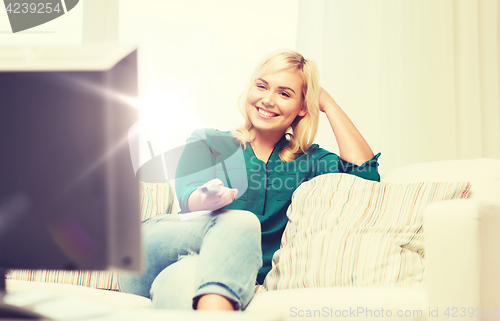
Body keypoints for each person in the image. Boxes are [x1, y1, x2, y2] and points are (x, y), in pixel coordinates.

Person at [118, 49, 381, 311]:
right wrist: (207, 198)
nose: (267, 100)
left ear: (303, 107)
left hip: (217, 272)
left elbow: (365, 175)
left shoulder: (308, 160)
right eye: (262, 86)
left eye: (284, 93)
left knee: (180, 280)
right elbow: (189, 199)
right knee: (240, 222)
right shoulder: (209, 141)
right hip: (150, 255)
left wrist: (327, 104)